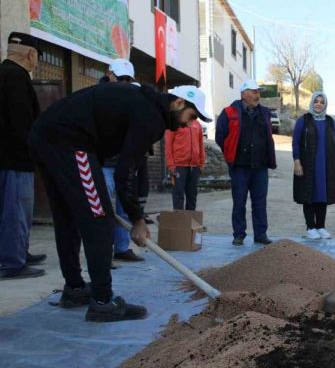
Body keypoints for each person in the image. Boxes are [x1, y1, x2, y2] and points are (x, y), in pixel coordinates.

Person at [29, 82, 212, 322]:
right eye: (191, 116)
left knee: (68, 217)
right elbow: (124, 172)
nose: (189, 123)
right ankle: (103, 302)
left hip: (45, 137)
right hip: (70, 142)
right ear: (178, 103)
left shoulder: (144, 104)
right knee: (99, 219)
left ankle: (74, 289)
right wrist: (137, 219)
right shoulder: (151, 117)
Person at [0, 32, 46, 280]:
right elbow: (22, 124)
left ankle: (16, 252)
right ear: (31, 54)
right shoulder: (17, 78)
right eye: (37, 56)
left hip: (5, 158)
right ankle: (13, 262)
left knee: (8, 211)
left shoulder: (3, 73)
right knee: (17, 210)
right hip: (16, 160)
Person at [216, 79, 276, 246]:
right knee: (239, 202)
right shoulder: (229, 112)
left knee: (260, 202)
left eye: (258, 91)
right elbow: (221, 137)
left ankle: (261, 234)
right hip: (240, 167)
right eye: (254, 91)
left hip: (260, 167)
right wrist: (230, 154)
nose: (258, 94)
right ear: (243, 94)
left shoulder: (264, 112)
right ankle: (239, 234)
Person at [97, 60, 144, 262]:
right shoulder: (97, 97)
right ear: (110, 74)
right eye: (120, 78)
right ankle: (103, 252)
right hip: (103, 163)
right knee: (103, 209)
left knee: (124, 208)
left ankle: (122, 248)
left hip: (124, 164)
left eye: (127, 79)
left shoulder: (133, 98)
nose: (124, 82)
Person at [292, 92, 335, 239]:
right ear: (312, 103)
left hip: (326, 166)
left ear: (325, 104)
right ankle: (310, 227)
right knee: (309, 194)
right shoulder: (303, 120)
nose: (318, 104)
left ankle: (321, 226)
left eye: (321, 102)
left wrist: (333, 158)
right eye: (316, 101)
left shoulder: (330, 121)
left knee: (322, 195)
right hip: (307, 164)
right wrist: (297, 161)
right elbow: (295, 142)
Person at [166, 116, 205, 210]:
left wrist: (201, 163)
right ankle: (179, 222)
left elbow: (201, 144)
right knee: (178, 194)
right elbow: (168, 145)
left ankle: (190, 222)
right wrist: (171, 165)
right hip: (178, 166)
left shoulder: (197, 124)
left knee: (192, 195)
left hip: (194, 166)